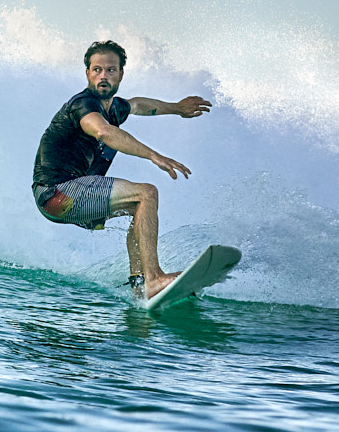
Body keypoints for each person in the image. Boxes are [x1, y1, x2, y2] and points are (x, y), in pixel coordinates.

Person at [32, 40, 211, 300]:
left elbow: (138, 105)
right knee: (146, 193)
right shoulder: (83, 105)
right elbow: (103, 131)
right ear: (87, 74)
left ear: (121, 75)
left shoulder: (115, 108)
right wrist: (153, 155)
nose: (103, 76)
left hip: (67, 198)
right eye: (97, 70)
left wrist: (177, 109)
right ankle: (154, 279)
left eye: (111, 70)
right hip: (57, 193)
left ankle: (139, 283)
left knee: (139, 208)